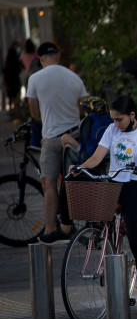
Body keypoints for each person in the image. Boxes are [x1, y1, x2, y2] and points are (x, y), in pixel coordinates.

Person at [74, 95, 137, 312]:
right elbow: (97, 157)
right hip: (113, 184)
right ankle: (101, 242)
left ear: (132, 116)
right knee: (96, 213)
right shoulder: (111, 130)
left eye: (119, 120)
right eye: (113, 119)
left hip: (135, 185)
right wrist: (80, 167)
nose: (115, 124)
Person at [27, 42, 88, 245]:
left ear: (41, 59)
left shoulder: (35, 78)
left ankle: (52, 229)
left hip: (52, 138)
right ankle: (74, 224)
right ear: (58, 55)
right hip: (73, 135)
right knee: (73, 181)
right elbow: (85, 106)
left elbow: (34, 113)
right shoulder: (74, 77)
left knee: (49, 183)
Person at [3, 41, 22, 113]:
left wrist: (6, 84)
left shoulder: (7, 63)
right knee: (15, 97)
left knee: (10, 98)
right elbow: (19, 71)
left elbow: (4, 74)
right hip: (15, 82)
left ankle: (11, 110)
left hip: (9, 83)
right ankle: (16, 110)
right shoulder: (16, 63)